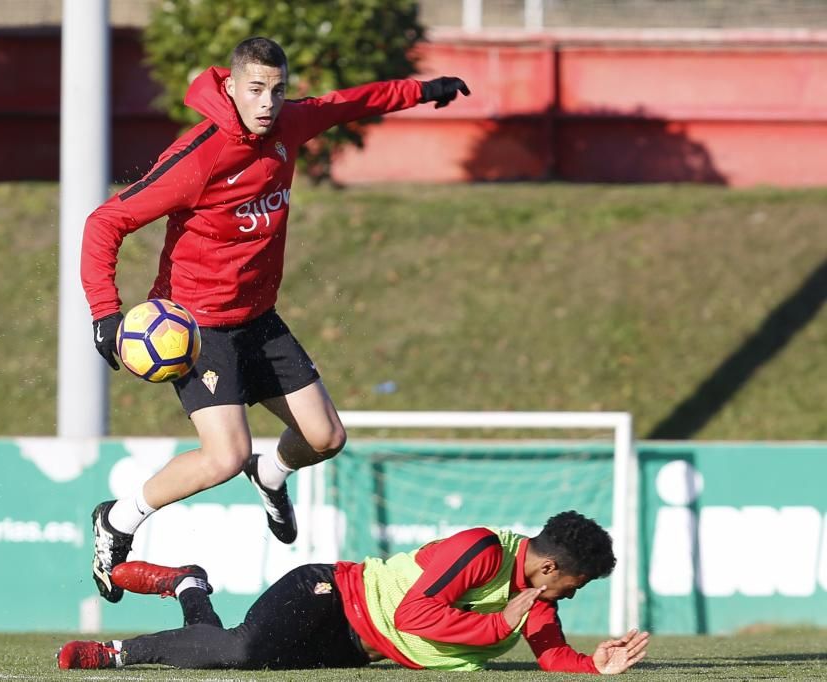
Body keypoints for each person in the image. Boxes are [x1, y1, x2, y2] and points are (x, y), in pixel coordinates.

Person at [80, 35, 471, 603]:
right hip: (193, 328)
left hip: (258, 319)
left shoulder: (288, 126)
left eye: (278, 90)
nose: (268, 102)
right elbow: (104, 222)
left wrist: (422, 90)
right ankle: (118, 520)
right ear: (233, 87)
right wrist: (105, 315)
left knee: (327, 437)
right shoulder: (200, 156)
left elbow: (349, 103)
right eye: (257, 89)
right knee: (225, 455)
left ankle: (272, 475)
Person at [58, 510, 650, 673]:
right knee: (240, 653)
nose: (572, 596)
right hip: (331, 596)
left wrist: (593, 666)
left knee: (229, 651)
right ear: (549, 569)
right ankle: (115, 655)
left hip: (359, 647)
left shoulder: (536, 597)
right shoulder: (483, 551)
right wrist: (498, 625)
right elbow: (417, 615)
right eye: (575, 585)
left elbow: (549, 655)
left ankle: (188, 584)